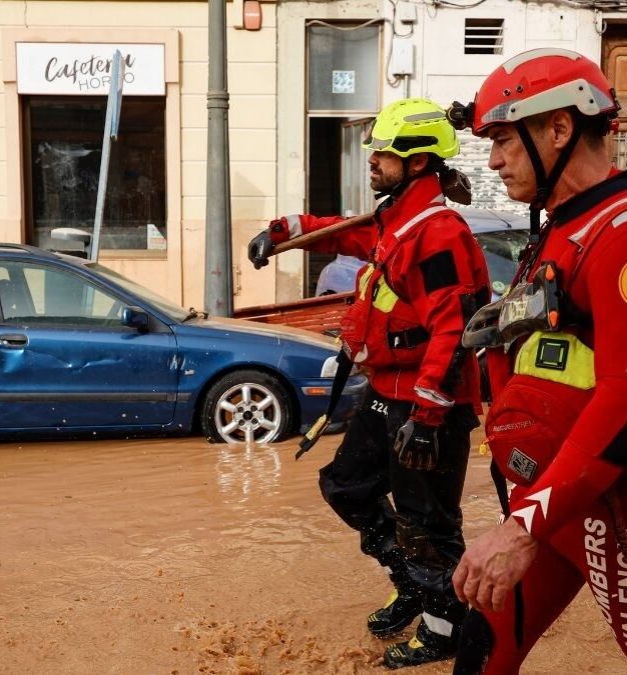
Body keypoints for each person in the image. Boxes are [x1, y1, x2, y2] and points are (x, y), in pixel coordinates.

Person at [248, 98, 490, 668]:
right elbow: (343, 232)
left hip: (429, 407)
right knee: (346, 486)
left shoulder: (439, 234)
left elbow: (452, 330)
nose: (371, 161)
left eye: (382, 152)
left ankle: (445, 627)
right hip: (389, 393)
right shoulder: (398, 220)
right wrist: (282, 231)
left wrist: (429, 419)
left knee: (426, 522)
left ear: (417, 161)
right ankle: (414, 584)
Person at [445, 48, 627, 673]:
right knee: (482, 649)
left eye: (503, 139)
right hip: (553, 504)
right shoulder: (558, 228)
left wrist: (522, 528)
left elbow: (624, 398)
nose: (492, 160)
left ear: (558, 127)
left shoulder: (619, 232)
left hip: (605, 507)